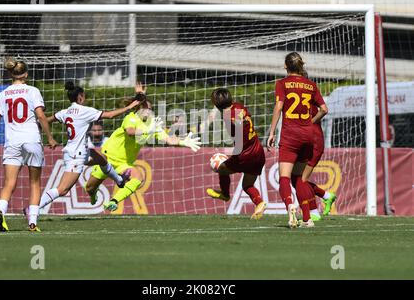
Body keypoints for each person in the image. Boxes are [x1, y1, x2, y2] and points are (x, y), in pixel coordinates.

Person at [33, 81, 141, 215]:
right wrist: (129, 107)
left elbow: (48, 119)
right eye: (84, 96)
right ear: (80, 97)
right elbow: (110, 115)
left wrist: (37, 124)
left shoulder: (65, 112)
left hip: (80, 151)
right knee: (62, 190)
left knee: (102, 158)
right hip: (75, 156)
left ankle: (119, 180)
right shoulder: (84, 111)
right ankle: (34, 210)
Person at [0, 57, 58, 232]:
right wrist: (50, 137)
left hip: (12, 142)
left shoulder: (3, 94)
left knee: (9, 183)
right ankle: (33, 222)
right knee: (34, 183)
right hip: (31, 140)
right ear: (26, 74)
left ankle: (0, 211)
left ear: (11, 74)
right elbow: (41, 116)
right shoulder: (32, 91)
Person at [85, 93, 202, 212]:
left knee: (138, 178)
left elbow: (168, 139)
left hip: (124, 164)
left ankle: (113, 202)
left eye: (150, 109)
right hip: (107, 159)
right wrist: (149, 131)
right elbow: (130, 132)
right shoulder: (131, 118)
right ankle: (93, 194)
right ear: (138, 108)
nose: (148, 111)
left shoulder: (152, 124)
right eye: (145, 108)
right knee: (89, 188)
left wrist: (183, 142)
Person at [267, 52, 328, 228]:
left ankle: (290, 206)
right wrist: (310, 122)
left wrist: (271, 132)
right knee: (300, 178)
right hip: (308, 135)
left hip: (290, 135)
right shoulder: (311, 85)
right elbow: (324, 109)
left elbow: (279, 107)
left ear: (286, 66)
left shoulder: (282, 84)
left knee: (284, 178)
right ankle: (307, 219)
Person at [206, 88, 267, 220]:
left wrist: (238, 123)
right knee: (247, 185)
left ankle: (225, 194)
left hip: (245, 155)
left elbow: (234, 120)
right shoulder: (239, 105)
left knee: (222, 169)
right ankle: (259, 203)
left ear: (216, 105)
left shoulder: (228, 116)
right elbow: (239, 117)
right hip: (258, 152)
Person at [291, 104, 336, 221]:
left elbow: (324, 110)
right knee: (296, 178)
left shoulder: (304, 98)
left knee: (300, 179)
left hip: (312, 142)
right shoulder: (304, 97)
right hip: (307, 141)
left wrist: (308, 124)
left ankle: (313, 212)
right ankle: (326, 196)